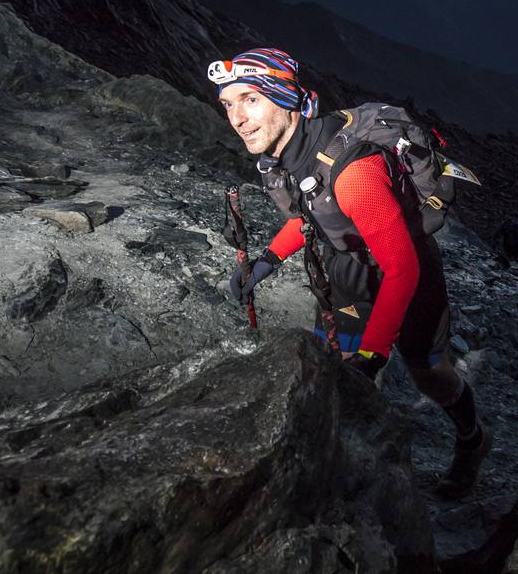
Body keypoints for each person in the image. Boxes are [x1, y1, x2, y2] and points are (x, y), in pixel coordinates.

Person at [210, 47, 490, 498]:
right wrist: (267, 261)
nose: (239, 118)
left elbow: (402, 268)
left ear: (284, 98)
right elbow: (315, 215)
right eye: (228, 104)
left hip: (407, 270)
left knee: (427, 372)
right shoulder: (289, 155)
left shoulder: (353, 174)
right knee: (334, 369)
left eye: (251, 99)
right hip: (351, 266)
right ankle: (337, 469)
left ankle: (473, 440)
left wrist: (374, 355)